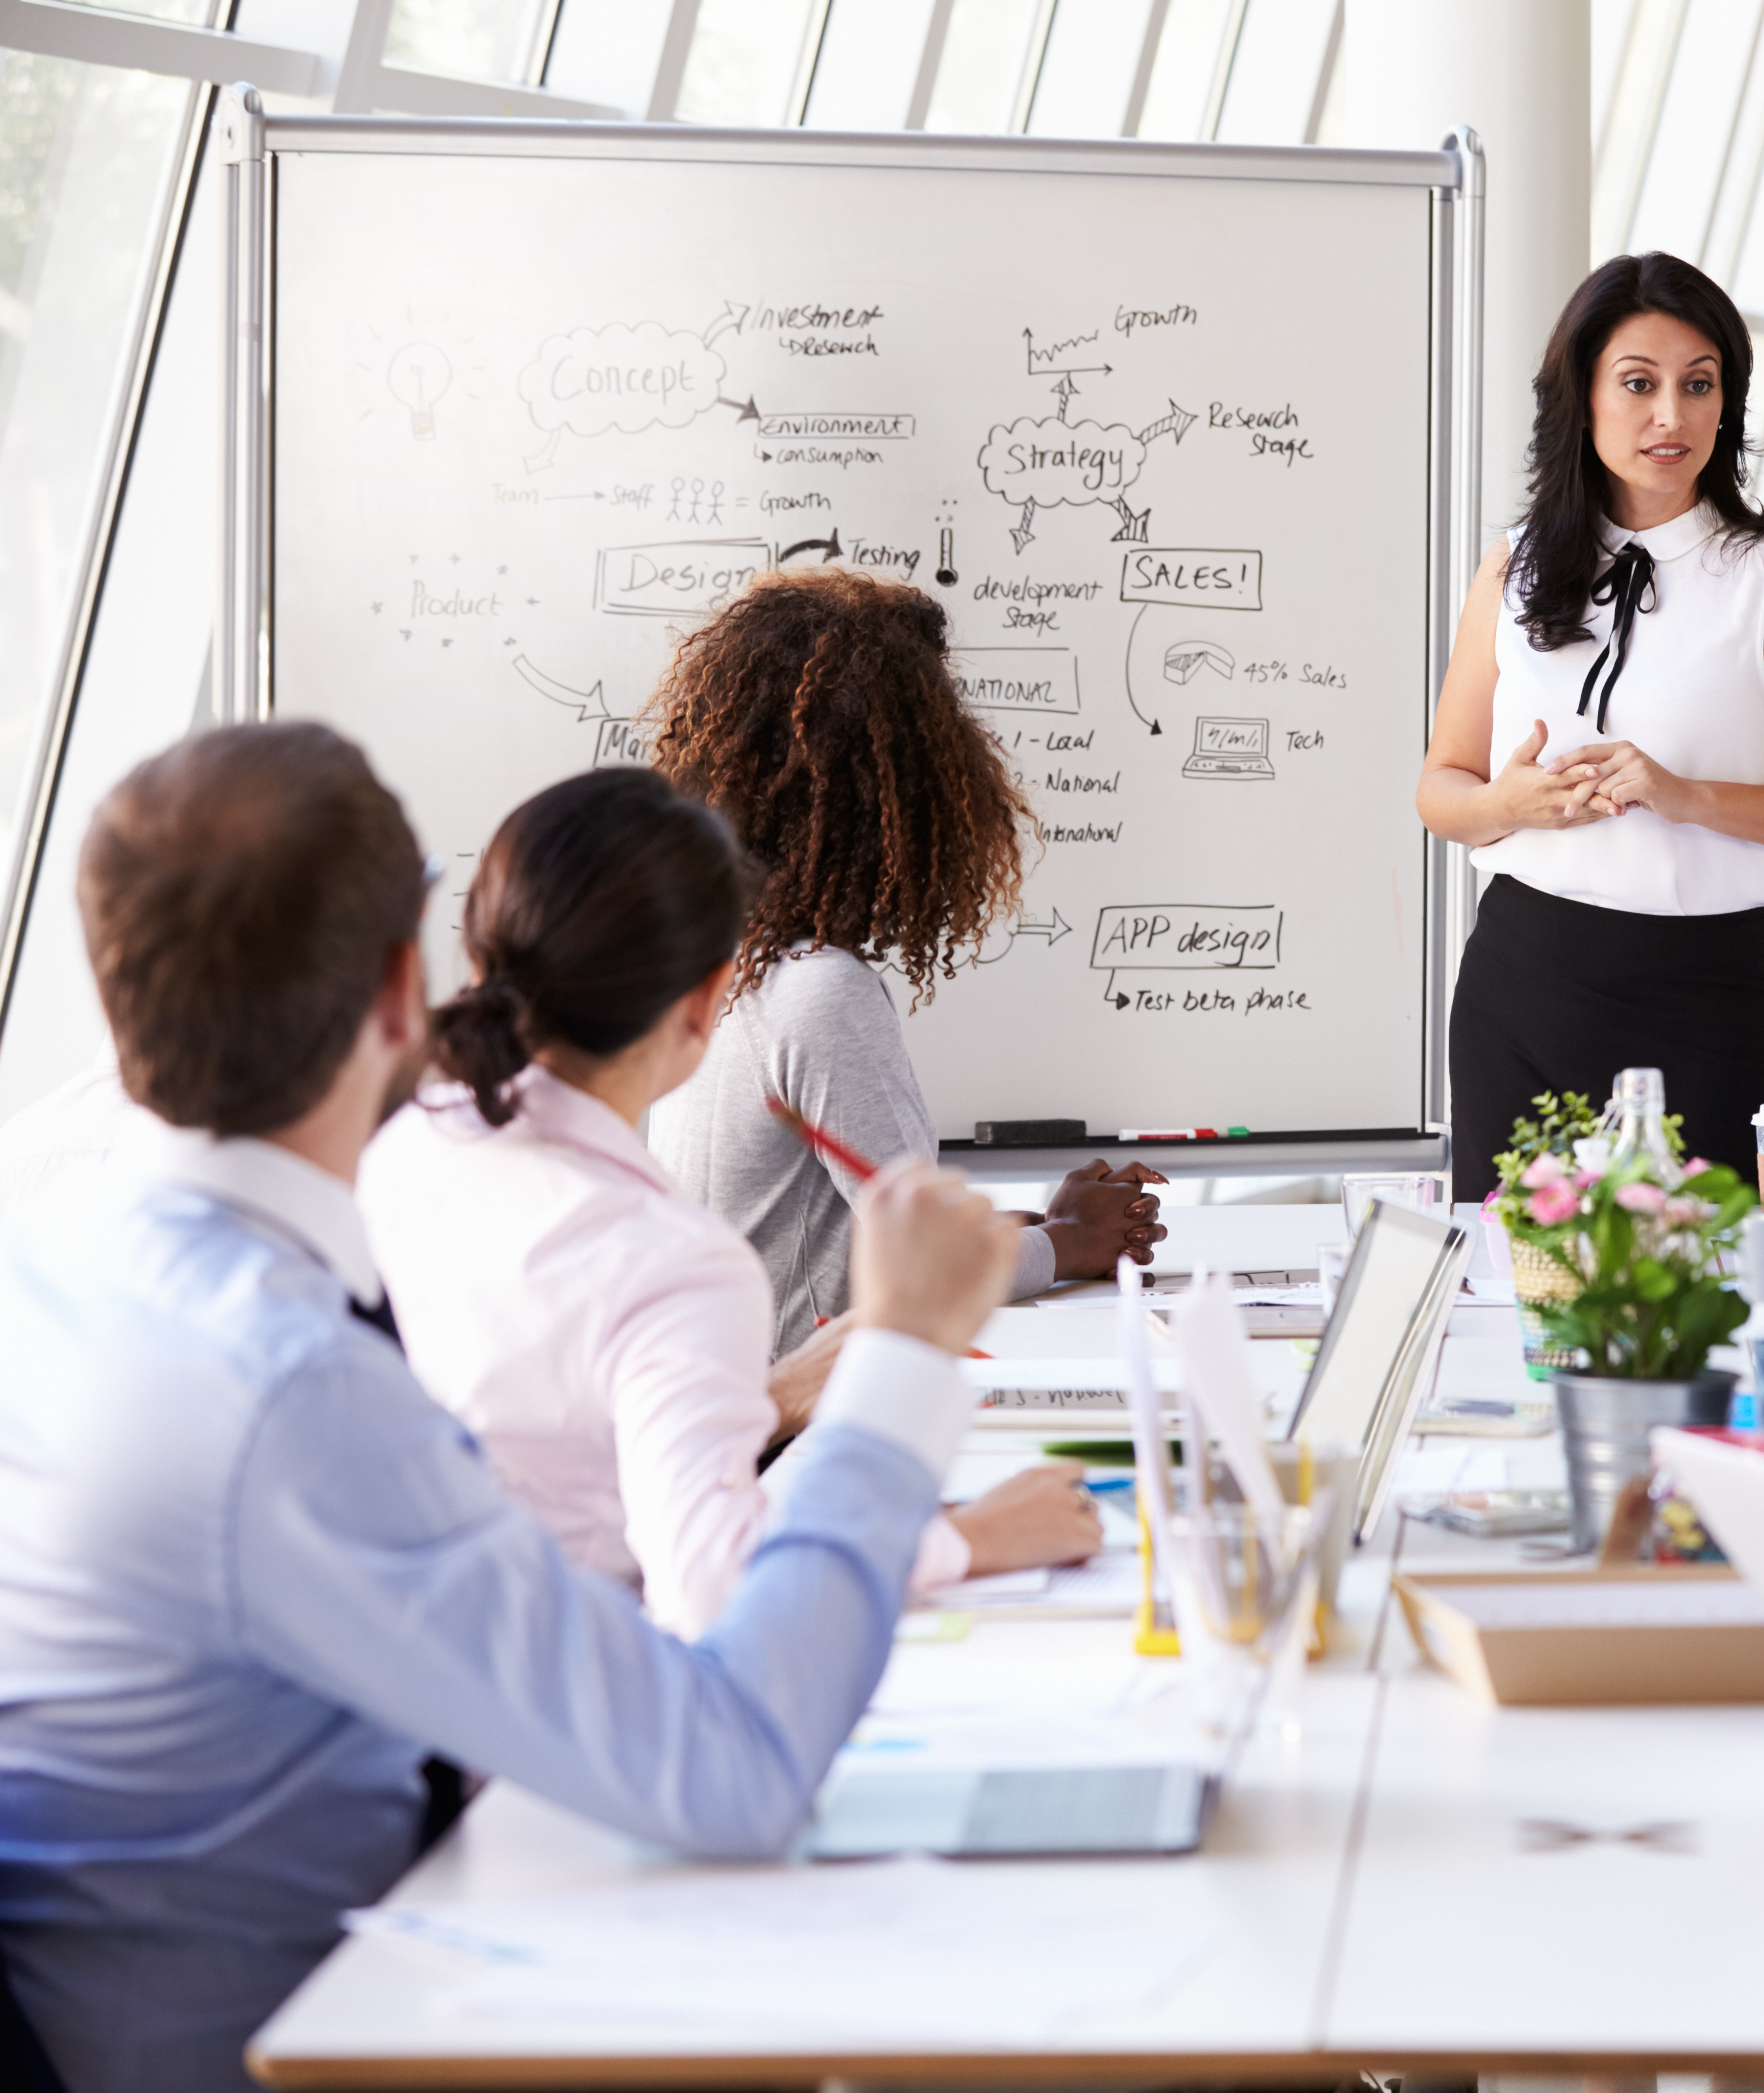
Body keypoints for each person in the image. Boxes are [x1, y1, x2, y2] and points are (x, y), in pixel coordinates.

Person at [0, 724, 1018, 2093]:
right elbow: (737, 1765)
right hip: (318, 2029)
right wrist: (897, 1356)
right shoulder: (287, 1388)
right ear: (397, 993)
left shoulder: (62, 1259)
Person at [361, 769, 1101, 1638]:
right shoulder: (671, 1258)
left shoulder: (400, 1147)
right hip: (563, 1695)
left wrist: (774, 1392)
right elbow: (716, 1591)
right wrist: (963, 1541)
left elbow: (554, 1424)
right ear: (708, 1001)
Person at [1417, 252, 1764, 1198]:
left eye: (1698, 385)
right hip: (1521, 980)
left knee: (1687, 1304)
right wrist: (1510, 804)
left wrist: (1686, 798)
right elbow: (1441, 788)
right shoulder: (1509, 568)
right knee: (1511, 1291)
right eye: (1638, 384)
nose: (1670, 415)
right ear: (1583, 398)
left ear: (1729, 405)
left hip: (1703, 995)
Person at [643, 567, 1167, 1357]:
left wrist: (1043, 1225)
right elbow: (936, 1268)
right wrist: (1070, 1243)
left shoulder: (731, 967)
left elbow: (855, 1228)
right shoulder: (818, 993)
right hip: (792, 1432)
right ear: (903, 790)